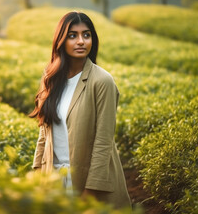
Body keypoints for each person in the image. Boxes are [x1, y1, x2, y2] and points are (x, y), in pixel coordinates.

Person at [29, 11, 131, 209]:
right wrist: (37, 173)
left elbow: (104, 141)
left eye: (86, 35)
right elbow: (44, 133)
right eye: (72, 35)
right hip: (53, 180)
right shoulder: (50, 78)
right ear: (61, 40)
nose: (81, 41)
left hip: (87, 184)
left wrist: (90, 192)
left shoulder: (102, 81)